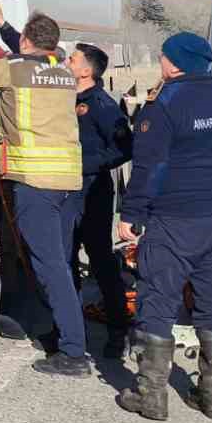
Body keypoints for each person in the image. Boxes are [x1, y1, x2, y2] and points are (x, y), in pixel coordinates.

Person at [117, 32, 212, 421]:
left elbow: (149, 167)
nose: (160, 62)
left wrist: (132, 215)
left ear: (175, 64)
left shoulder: (164, 105)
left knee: (158, 298)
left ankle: (150, 396)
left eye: (163, 57)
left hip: (177, 217)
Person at [0, 3, 88, 376]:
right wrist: (4, 28)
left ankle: (73, 352)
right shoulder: (64, 73)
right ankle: (64, 334)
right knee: (61, 264)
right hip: (68, 182)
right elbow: (28, 60)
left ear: (25, 40)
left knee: (50, 267)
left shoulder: (13, 70)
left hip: (35, 182)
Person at [68, 43, 133, 358]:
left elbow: (125, 148)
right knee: (64, 260)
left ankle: (118, 331)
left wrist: (85, 165)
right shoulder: (67, 98)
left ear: (86, 70)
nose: (67, 61)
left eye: (73, 58)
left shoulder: (103, 105)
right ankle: (68, 330)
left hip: (93, 191)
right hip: (66, 191)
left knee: (101, 261)